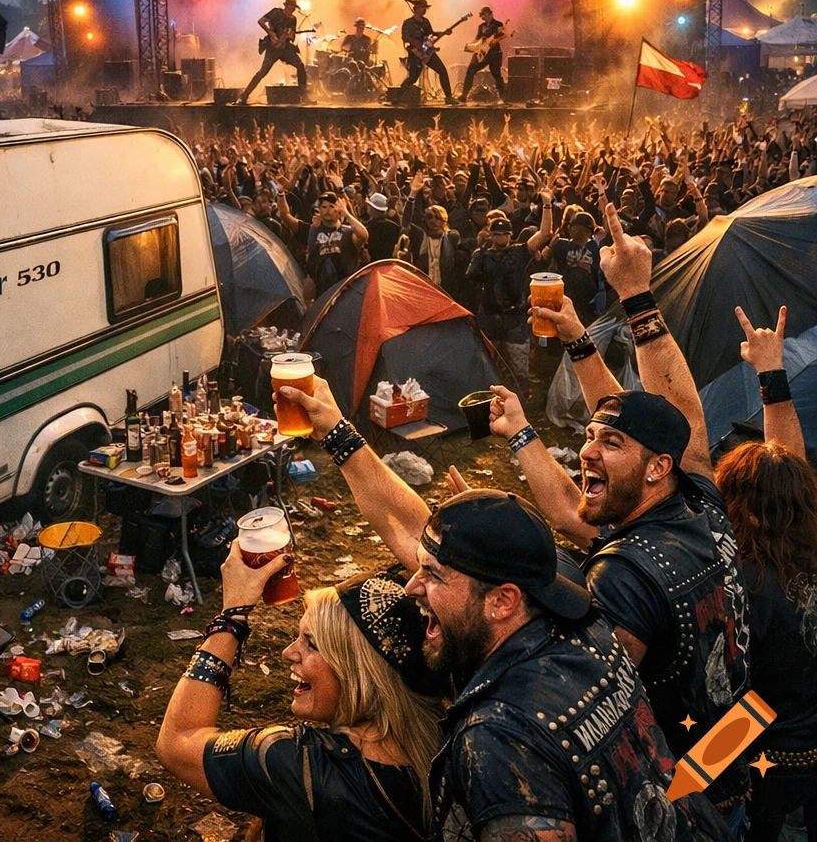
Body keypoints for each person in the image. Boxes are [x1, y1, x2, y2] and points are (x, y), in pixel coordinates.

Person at [268, 376, 735, 841]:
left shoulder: (500, 737)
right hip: (719, 784)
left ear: (503, 600)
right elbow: (414, 530)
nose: (410, 585)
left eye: (434, 574)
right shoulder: (587, 613)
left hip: (720, 781)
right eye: (589, 436)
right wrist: (338, 433)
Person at [508, 202, 753, 835]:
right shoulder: (700, 497)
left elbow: (581, 698)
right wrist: (626, 306)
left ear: (654, 470)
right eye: (587, 438)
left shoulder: (624, 574)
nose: (586, 450)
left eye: (605, 445)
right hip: (733, 755)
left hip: (681, 797)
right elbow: (675, 421)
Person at [155, 543, 445, 842]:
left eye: (311, 643)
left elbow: (177, 741)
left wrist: (232, 616)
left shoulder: (296, 762)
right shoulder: (450, 735)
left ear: (361, 672)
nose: (288, 652)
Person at [715, 306, 817, 842]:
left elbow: (735, 697)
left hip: (760, 752)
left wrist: (682, 785)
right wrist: (770, 374)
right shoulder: (812, 546)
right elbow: (787, 465)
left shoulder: (741, 581)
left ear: (739, 505)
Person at [465, 195, 553, 394]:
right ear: (490, 234)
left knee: (520, 369)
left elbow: (544, 233)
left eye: (505, 233)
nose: (501, 237)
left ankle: (522, 399)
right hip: (489, 316)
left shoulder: (519, 253)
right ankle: (488, 398)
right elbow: (470, 279)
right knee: (487, 363)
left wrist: (546, 203)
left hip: (514, 318)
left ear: (510, 234)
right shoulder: (481, 255)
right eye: (497, 234)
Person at [239, 0, 308, 105]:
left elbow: (292, 36)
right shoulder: (276, 12)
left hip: (285, 48)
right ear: (287, 6)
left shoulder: (293, 19)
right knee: (262, 72)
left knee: (300, 66)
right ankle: (244, 96)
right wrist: (270, 33)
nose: (293, 10)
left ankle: (303, 97)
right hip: (273, 48)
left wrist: (288, 35)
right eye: (292, 7)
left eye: (294, 8)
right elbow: (261, 21)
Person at [305, 190, 368, 303]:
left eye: (331, 206)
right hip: (323, 294)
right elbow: (311, 266)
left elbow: (364, 235)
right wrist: (308, 300)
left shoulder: (348, 231)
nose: (327, 210)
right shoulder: (314, 230)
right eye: (324, 207)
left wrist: (346, 213)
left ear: (338, 210)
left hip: (346, 292)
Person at [550, 210, 602, 326]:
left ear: (589, 232)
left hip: (588, 304)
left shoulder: (595, 249)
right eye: (576, 227)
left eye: (583, 229)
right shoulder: (560, 245)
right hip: (564, 298)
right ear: (569, 228)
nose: (579, 231)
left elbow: (599, 277)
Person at [400, 0, 456, 103]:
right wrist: (417, 44)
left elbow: (431, 33)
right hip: (415, 53)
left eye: (425, 8)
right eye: (422, 8)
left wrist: (443, 33)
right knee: (412, 78)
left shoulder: (425, 22)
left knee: (442, 70)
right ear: (415, 9)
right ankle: (397, 97)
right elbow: (405, 37)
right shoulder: (408, 23)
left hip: (427, 51)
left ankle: (448, 97)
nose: (424, 10)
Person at [460, 6, 507, 102]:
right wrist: (472, 46)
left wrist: (495, 40)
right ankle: (464, 96)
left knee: (496, 74)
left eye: (484, 14)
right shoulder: (481, 26)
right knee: (470, 71)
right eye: (481, 15)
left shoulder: (498, 24)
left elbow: (503, 34)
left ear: (490, 14)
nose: (482, 17)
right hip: (482, 53)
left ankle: (503, 97)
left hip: (494, 53)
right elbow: (477, 38)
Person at [364, 192, 403, 261]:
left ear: (372, 208)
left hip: (371, 264)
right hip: (389, 264)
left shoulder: (367, 227)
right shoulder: (395, 227)